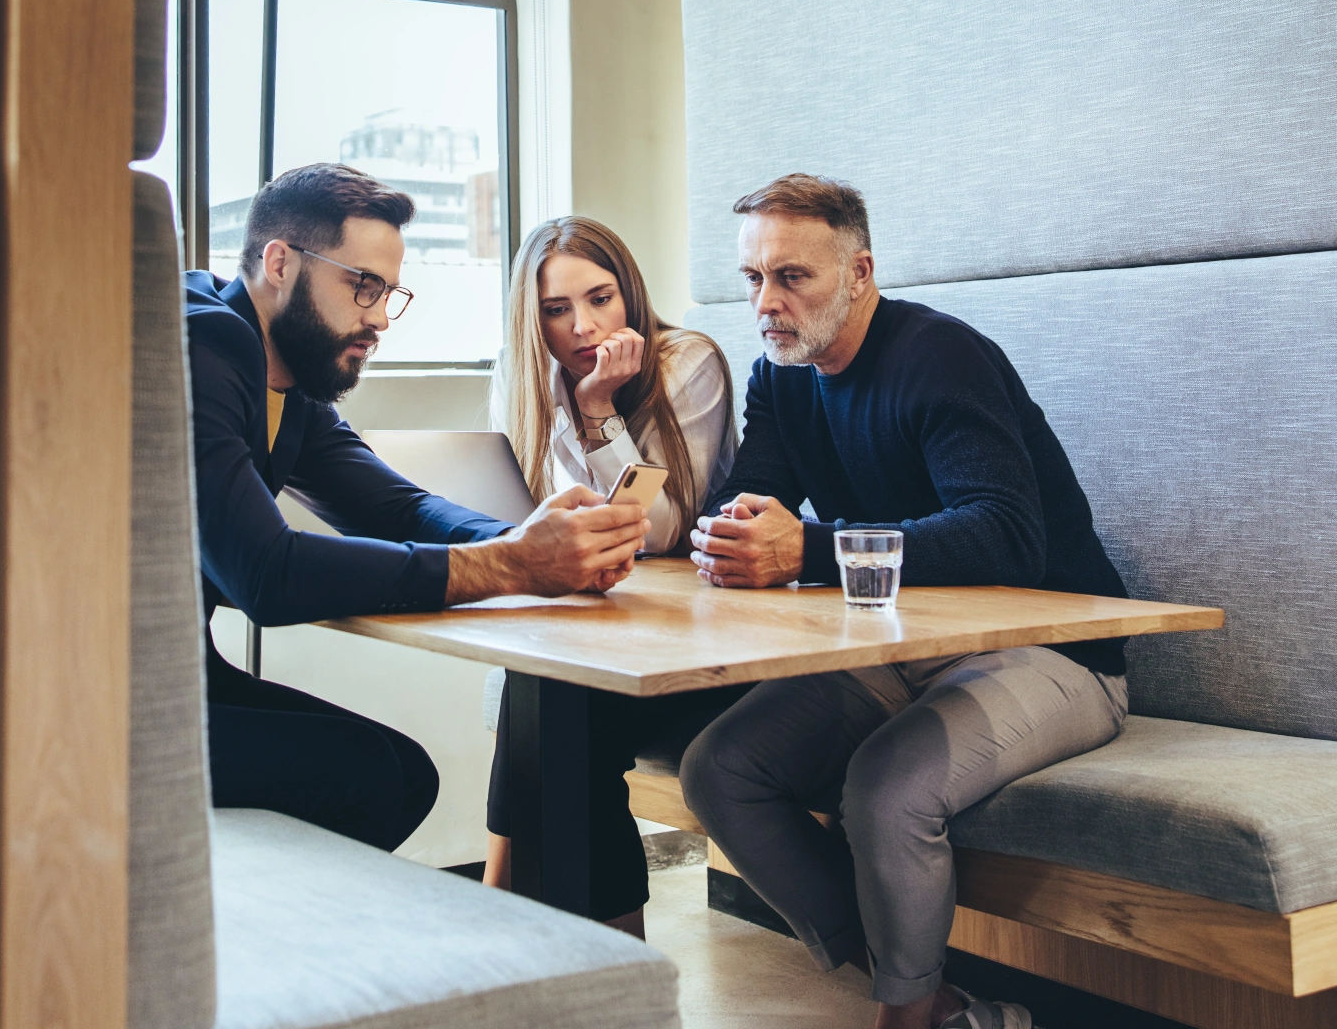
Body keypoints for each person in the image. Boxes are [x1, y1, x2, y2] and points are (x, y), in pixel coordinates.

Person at [678, 175, 1129, 1029]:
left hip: (1056, 647)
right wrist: (722, 533)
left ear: (860, 271)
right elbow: (745, 501)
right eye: (752, 279)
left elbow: (1005, 536)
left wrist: (803, 548)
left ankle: (907, 1015)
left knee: (885, 788)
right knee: (721, 769)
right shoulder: (784, 374)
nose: (766, 303)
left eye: (791, 277)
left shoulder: (940, 356)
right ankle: (931, 1000)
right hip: (904, 649)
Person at [186, 164, 650, 855]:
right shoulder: (204, 347)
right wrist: (513, 565)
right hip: (98, 697)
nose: (377, 318)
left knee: (404, 776)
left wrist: (537, 542)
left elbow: (399, 510)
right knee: (368, 777)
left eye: (388, 293)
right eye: (362, 287)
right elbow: (265, 574)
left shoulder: (290, 380)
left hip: (183, 677)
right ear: (278, 262)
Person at [481, 216, 740, 935]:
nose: (583, 327)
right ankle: (592, 942)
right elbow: (523, 512)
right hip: (593, 613)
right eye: (556, 310)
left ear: (628, 290)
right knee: (544, 680)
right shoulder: (525, 374)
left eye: (600, 299)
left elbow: (657, 528)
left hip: (685, 622)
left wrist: (597, 411)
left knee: (555, 695)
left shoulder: (688, 362)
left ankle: (520, 905)